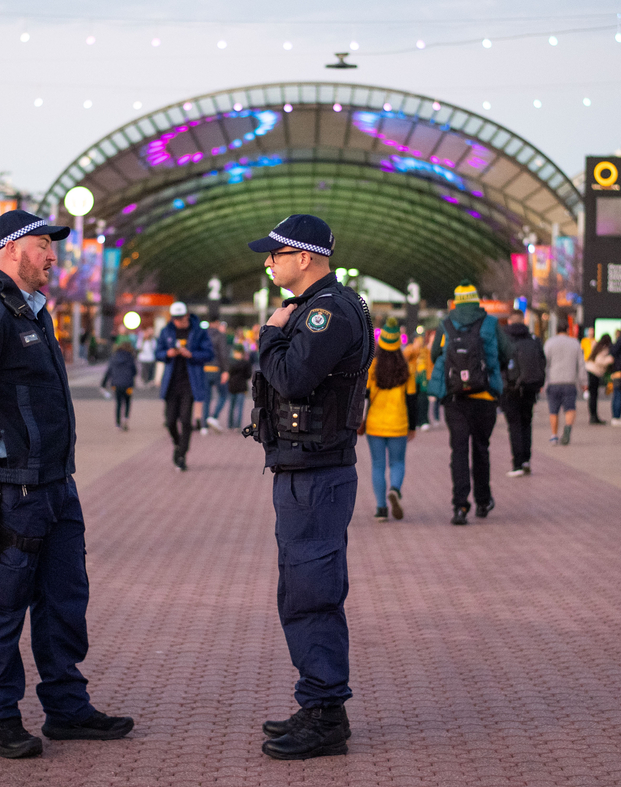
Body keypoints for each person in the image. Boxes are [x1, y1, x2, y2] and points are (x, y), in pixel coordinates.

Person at [0, 209, 133, 759]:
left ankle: (67, 710)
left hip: (55, 482)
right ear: (11, 248)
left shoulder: (35, 311)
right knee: (3, 605)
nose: (51, 255)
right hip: (12, 487)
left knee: (64, 598)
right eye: (43, 244)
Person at [244, 214, 372, 760]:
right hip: (306, 469)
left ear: (305, 257)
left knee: (311, 590)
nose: (267, 262)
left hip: (315, 472)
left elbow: (294, 378)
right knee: (303, 588)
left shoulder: (325, 313)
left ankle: (324, 713)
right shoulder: (324, 308)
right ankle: (317, 701)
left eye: (275, 254)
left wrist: (270, 334)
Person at [428, 279, 510, 525]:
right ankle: (483, 501)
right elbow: (507, 354)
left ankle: (460, 506)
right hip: (484, 397)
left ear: (455, 302)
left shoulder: (445, 325)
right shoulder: (491, 323)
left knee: (459, 451)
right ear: (476, 301)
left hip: (455, 399)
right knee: (481, 449)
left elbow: (434, 356)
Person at [362, 318, 417, 521]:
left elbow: (365, 397)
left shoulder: (372, 367)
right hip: (398, 423)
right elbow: (412, 401)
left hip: (375, 424)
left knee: (377, 465)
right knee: (397, 462)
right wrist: (412, 426)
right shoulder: (406, 368)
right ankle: (394, 489)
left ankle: (381, 508)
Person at [154, 302, 213, 471]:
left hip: (190, 382)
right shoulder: (167, 331)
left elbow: (209, 353)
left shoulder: (198, 331)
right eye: (175, 318)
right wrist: (168, 353)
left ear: (187, 315)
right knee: (170, 420)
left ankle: (182, 455)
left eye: (181, 318)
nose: (178, 321)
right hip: (171, 383)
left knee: (186, 420)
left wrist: (191, 354)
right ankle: (178, 444)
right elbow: (158, 352)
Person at [502, 310, 547, 476]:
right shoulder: (533, 339)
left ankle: (517, 463)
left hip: (510, 388)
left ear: (509, 321)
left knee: (514, 425)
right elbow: (542, 362)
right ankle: (527, 459)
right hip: (530, 387)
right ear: (523, 320)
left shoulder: (504, 339)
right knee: (527, 423)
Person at [543, 328, 585, 446]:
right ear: (567, 329)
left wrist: (543, 381)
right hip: (569, 382)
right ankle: (567, 428)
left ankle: (554, 436)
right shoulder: (575, 343)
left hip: (553, 381)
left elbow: (545, 363)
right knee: (570, 408)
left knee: (553, 411)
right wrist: (584, 381)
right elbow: (581, 364)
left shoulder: (549, 343)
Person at [101, 336, 137, 430]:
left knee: (118, 403)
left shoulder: (114, 357)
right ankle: (125, 418)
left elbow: (109, 371)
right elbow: (134, 371)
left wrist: (103, 383)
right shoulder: (130, 357)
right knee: (128, 402)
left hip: (116, 384)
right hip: (128, 384)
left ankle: (117, 423)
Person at [202, 320, 230, 434]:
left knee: (206, 399)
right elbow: (223, 354)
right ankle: (213, 417)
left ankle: (204, 427)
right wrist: (225, 370)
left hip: (205, 369)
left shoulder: (203, 335)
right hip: (217, 369)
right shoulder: (220, 336)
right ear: (218, 323)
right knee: (223, 395)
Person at [584, 333, 613, 425]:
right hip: (595, 372)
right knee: (593, 395)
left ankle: (593, 415)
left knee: (593, 395)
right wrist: (610, 359)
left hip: (590, 370)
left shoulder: (597, 346)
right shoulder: (604, 349)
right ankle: (593, 416)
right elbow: (599, 361)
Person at [225, 344, 253, 430]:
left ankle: (230, 424)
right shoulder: (246, 363)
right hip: (242, 387)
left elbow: (228, 374)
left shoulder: (230, 363)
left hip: (232, 386)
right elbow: (248, 375)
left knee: (232, 406)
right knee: (239, 407)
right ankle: (237, 425)